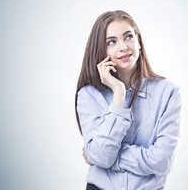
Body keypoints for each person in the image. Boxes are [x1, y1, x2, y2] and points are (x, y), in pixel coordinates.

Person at [75, 10, 182, 190]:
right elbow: (101, 156)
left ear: (139, 41)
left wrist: (108, 157)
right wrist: (118, 93)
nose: (123, 47)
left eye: (128, 37)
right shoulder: (88, 95)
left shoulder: (169, 93)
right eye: (112, 42)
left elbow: (162, 161)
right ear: (100, 49)